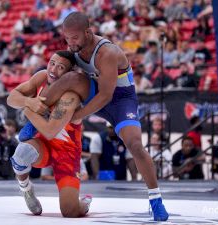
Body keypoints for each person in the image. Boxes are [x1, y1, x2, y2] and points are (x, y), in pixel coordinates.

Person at [18, 12, 169, 221]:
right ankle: (33, 121)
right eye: (67, 38)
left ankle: (155, 199)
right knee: (71, 77)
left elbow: (106, 95)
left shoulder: (107, 52)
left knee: (134, 144)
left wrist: (77, 115)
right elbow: (59, 77)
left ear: (88, 33)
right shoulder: (74, 49)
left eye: (74, 38)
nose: (70, 43)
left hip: (119, 100)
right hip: (95, 92)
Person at [7, 50, 92, 217]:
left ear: (69, 74)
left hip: (66, 153)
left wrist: (28, 109)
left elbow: (50, 130)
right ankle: (26, 189)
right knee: (21, 154)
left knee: (70, 212)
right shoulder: (42, 77)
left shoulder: (70, 97)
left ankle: (84, 202)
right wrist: (28, 101)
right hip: (43, 146)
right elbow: (11, 98)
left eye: (60, 67)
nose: (53, 70)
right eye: (52, 63)